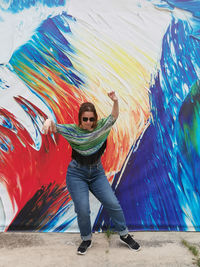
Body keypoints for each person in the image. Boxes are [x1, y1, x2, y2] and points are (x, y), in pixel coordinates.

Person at [42, 91, 141, 255]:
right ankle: (86, 239)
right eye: (85, 119)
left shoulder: (102, 127)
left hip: (96, 173)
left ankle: (124, 235)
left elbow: (114, 116)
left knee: (113, 204)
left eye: (91, 119)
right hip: (76, 174)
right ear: (80, 119)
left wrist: (115, 101)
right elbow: (53, 126)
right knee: (83, 209)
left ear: (95, 118)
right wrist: (48, 121)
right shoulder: (73, 131)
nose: (88, 122)